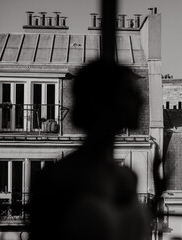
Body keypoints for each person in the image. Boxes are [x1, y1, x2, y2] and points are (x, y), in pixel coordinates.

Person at [29, 60, 150, 240]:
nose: (142, 100)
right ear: (98, 101)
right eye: (129, 93)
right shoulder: (57, 179)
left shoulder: (127, 176)